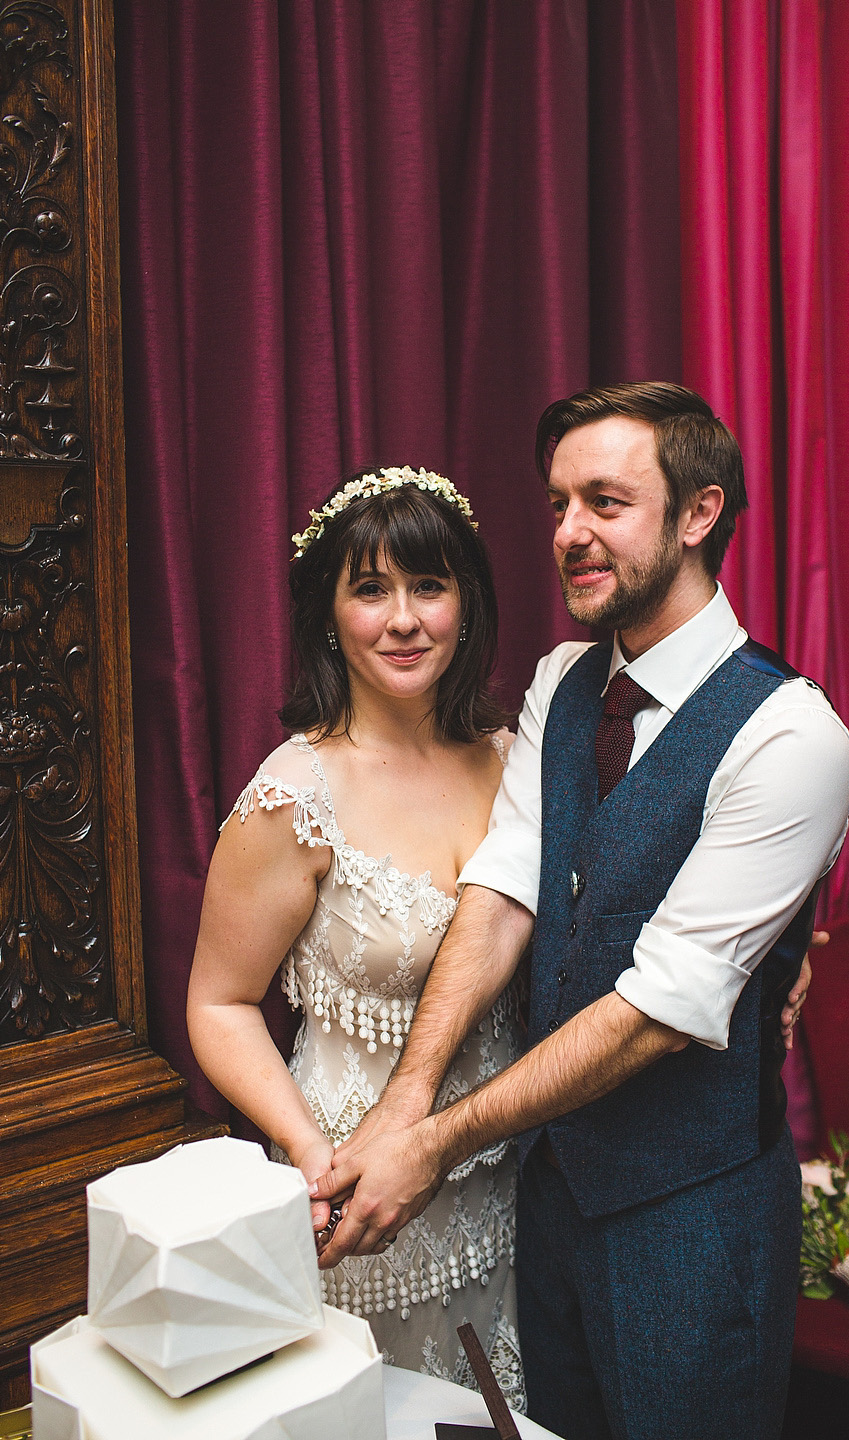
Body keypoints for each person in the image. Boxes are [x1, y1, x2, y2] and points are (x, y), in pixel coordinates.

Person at [311, 385, 849, 1440]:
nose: (569, 533)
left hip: (693, 1223)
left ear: (699, 513)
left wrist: (433, 1146)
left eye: (606, 502)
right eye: (559, 503)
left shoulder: (792, 738)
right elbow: (505, 893)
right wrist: (402, 1100)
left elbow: (661, 1006)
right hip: (551, 1200)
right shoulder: (563, 681)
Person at [186, 466, 525, 1407]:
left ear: (469, 601)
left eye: (429, 585)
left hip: (501, 1191)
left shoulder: (516, 759)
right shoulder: (297, 795)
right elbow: (216, 1004)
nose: (404, 619)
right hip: (356, 1199)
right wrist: (308, 1156)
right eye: (370, 589)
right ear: (329, 614)